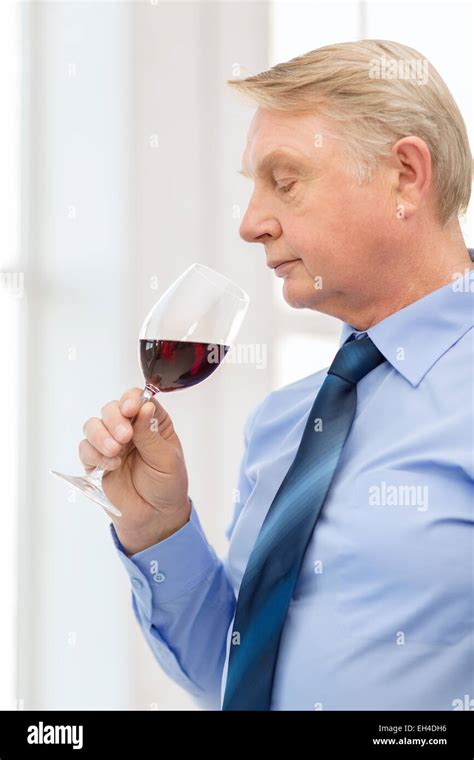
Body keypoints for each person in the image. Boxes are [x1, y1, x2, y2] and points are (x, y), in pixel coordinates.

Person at [79, 40, 473, 710]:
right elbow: (232, 677)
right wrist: (159, 527)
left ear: (406, 175)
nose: (249, 224)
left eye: (284, 181)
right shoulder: (286, 423)